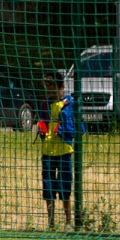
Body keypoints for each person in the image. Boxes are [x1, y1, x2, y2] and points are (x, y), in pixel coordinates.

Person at [37, 71, 77, 231]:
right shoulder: (45, 104)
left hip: (64, 151)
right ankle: (51, 221)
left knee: (65, 185)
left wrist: (63, 129)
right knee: (48, 186)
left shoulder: (69, 103)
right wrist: (42, 128)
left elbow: (75, 126)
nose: (50, 91)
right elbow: (42, 121)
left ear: (62, 87)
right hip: (48, 151)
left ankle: (68, 220)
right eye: (47, 87)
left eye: (53, 87)